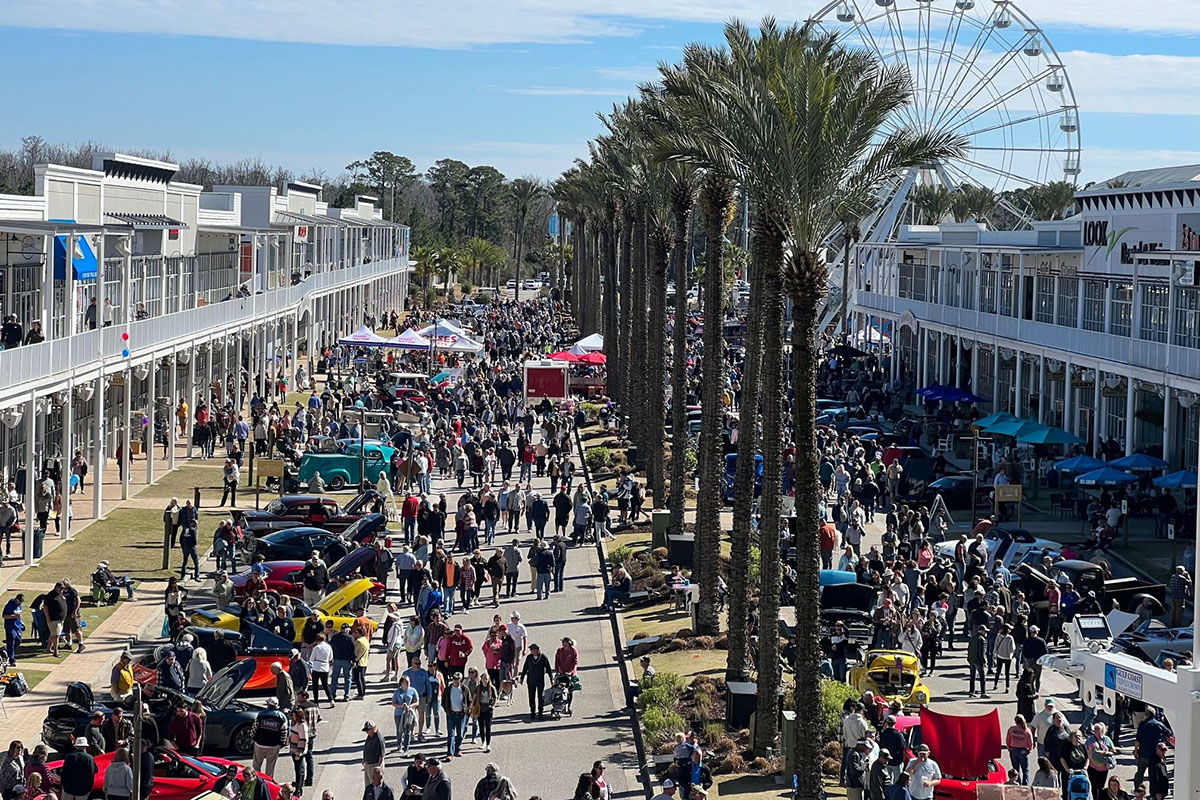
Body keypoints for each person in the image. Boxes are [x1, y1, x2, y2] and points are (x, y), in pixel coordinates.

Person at [251, 697, 288, 778]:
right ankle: (268, 782)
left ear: (268, 705)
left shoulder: (261, 714)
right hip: (273, 745)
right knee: (270, 766)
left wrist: (253, 738)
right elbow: (284, 731)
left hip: (260, 744)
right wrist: (281, 743)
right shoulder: (282, 717)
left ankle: (255, 780)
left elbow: (254, 728)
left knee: (256, 764)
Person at [519, 643, 553, 719]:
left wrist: (551, 679)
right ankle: (532, 712)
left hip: (540, 680)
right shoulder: (529, 657)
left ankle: (540, 712)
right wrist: (522, 678)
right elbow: (525, 668)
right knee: (531, 696)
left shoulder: (543, 657)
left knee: (540, 696)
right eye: (530, 649)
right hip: (531, 680)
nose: (531, 651)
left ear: (537, 650)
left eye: (532, 649)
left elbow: (548, 669)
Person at [393, 676, 420, 756]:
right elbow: (393, 703)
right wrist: (401, 706)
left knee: (407, 731)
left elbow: (417, 702)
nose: (408, 684)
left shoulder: (413, 690)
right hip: (398, 714)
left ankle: (406, 748)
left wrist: (410, 706)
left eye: (409, 682)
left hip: (408, 714)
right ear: (402, 683)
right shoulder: (397, 692)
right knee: (399, 730)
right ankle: (399, 745)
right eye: (406, 682)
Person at [1006, 715, 1035, 786]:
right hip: (1023, 751)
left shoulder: (1011, 729)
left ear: (1015, 721)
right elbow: (1031, 742)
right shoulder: (1027, 730)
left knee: (1016, 769)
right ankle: (1026, 785)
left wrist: (1009, 748)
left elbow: (1008, 740)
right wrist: (1029, 750)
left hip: (1014, 749)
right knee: (1025, 770)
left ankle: (1017, 783)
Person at [288, 707, 310, 797]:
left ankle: (299, 789)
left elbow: (303, 740)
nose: (292, 717)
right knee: (297, 769)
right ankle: (298, 786)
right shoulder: (294, 723)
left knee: (299, 770)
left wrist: (298, 753)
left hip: (298, 751)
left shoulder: (302, 726)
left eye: (294, 715)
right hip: (293, 749)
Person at [361, 721, 387, 788]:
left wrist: (378, 768)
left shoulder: (379, 739)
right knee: (368, 787)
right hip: (368, 765)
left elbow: (381, 755)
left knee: (375, 786)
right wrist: (364, 759)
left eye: (368, 730)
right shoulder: (370, 737)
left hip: (374, 765)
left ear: (374, 728)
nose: (366, 732)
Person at [3, 594, 23, 666]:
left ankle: (8, 652)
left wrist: (21, 623)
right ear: (16, 599)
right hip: (10, 627)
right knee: (11, 642)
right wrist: (14, 616)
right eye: (19, 601)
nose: (20, 603)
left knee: (18, 640)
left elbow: (20, 615)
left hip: (17, 626)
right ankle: (12, 660)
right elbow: (4, 616)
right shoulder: (10, 605)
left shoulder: (20, 605)